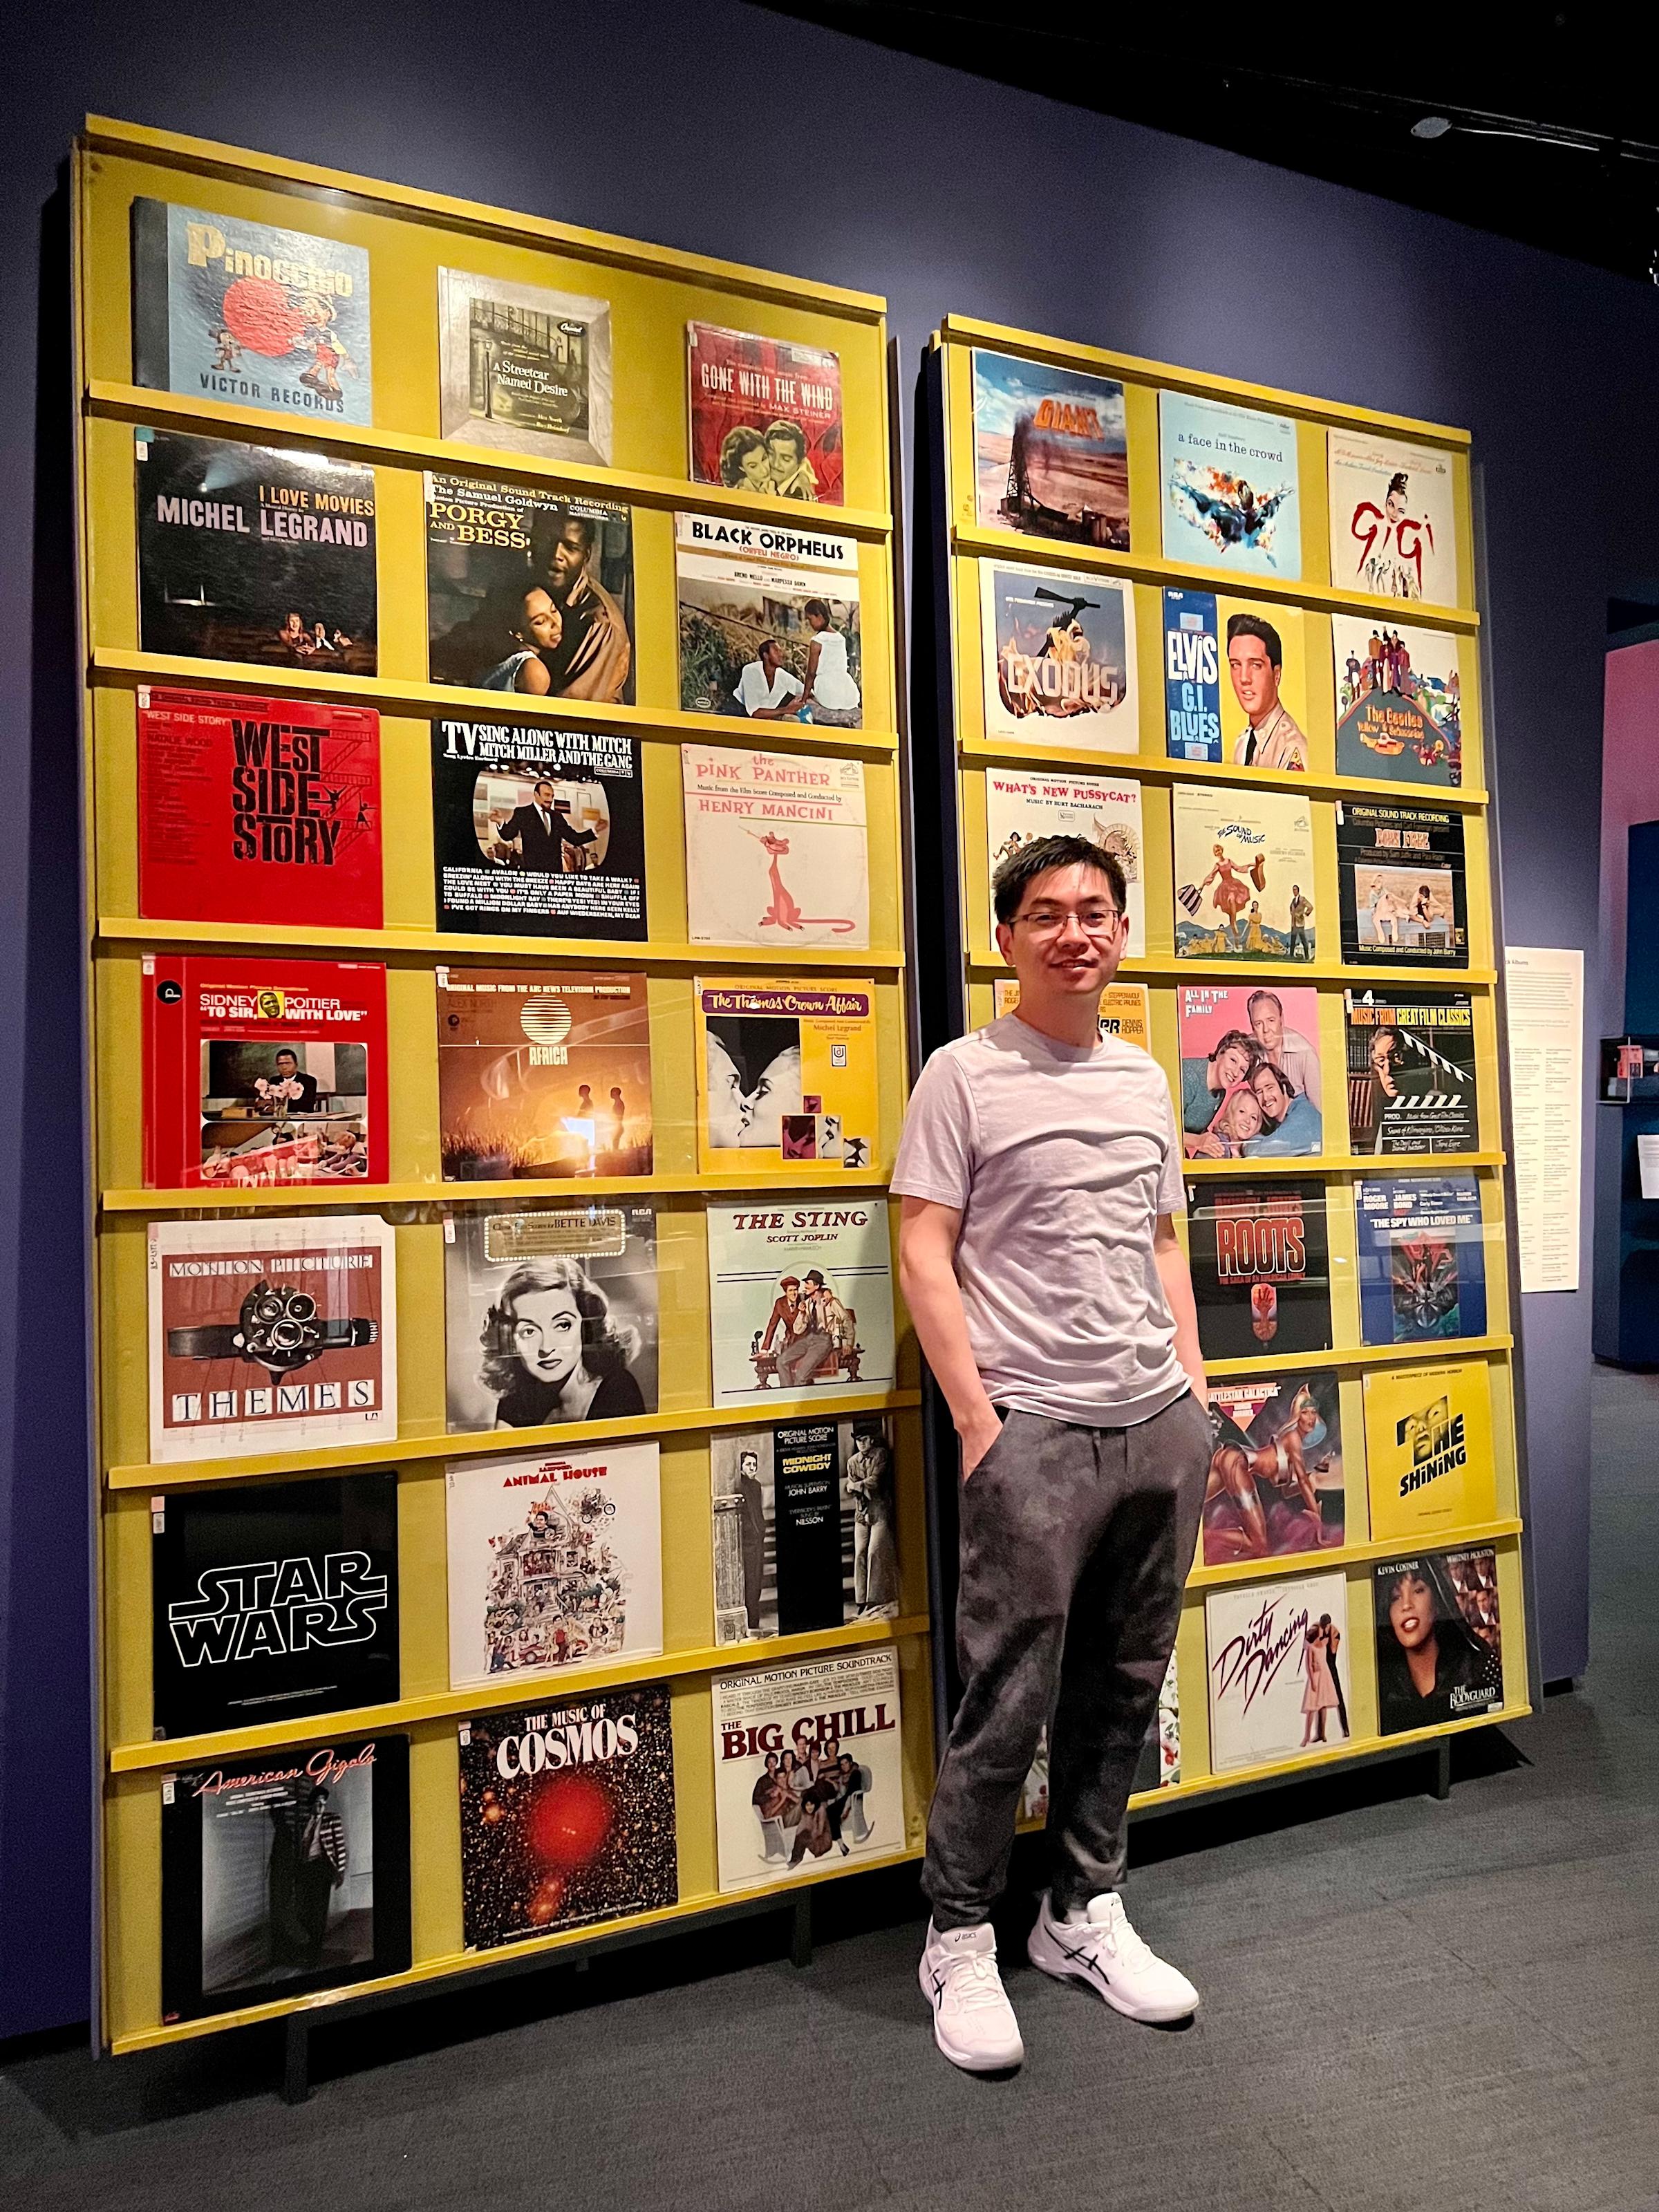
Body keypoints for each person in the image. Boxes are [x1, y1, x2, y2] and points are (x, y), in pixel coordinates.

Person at [894, 831, 1210, 2073]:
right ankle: (959, 1935)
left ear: (1120, 929)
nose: (1074, 931)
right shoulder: (962, 1075)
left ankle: (1079, 1912)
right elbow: (925, 1249)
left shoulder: (1142, 1079)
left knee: (1125, 1686)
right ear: (1006, 937)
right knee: (1007, 1695)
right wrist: (980, 1420)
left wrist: (1194, 1382)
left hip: (1154, 1430)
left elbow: (1166, 1239)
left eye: (1094, 910)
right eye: (1046, 913)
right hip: (1033, 1432)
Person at [478, 1255, 646, 1426]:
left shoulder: (617, 1390)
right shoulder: (515, 1401)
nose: (547, 1347)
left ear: (586, 1326)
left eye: (563, 1325)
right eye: (529, 1331)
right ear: (510, 1341)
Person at [1225, 614, 1308, 769]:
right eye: (1236, 665)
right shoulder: (1242, 743)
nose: (1244, 678)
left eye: (1255, 665)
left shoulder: (1291, 747)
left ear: (1276, 675)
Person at [845, 1424, 898, 1615]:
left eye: (864, 1439)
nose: (861, 1443)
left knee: (874, 1553)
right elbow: (850, 1488)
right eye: (858, 1440)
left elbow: (874, 1482)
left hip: (879, 1510)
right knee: (860, 1553)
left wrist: (856, 1486)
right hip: (861, 1512)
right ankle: (861, 1599)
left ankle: (874, 1598)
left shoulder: (880, 1455)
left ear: (871, 1440)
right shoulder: (852, 1462)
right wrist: (859, 1487)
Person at [494, 778, 598, 872]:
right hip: (533, 873)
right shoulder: (523, 813)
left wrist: (595, 831)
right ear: (536, 795)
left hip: (555, 874)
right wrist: (500, 821)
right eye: (547, 795)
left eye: (552, 796)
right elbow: (508, 835)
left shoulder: (557, 816)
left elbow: (575, 838)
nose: (551, 799)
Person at [479, 587, 562, 694]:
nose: (555, 623)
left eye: (553, 610)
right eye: (540, 622)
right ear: (518, 633)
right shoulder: (533, 671)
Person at [1246, 990, 1320, 1108]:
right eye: (1258, 1024)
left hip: (1300, 1122)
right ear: (1253, 1028)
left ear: (1281, 1020)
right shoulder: (1247, 1052)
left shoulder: (1305, 1054)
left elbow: (1318, 1113)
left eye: (1271, 1020)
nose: (1266, 1030)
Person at [1180, 1027, 1259, 1136]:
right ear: (1219, 1054)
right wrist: (1199, 1141)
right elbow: (1167, 1130)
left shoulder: (1221, 1091)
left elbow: (1196, 1130)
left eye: (1242, 1070)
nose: (1236, 1073)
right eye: (1233, 1060)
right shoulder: (1188, 1076)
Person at [798, 598, 861, 727]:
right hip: (848, 692)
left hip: (828, 693)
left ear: (819, 616)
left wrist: (804, 699)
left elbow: (811, 673)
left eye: (810, 619)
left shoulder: (817, 641)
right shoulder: (840, 638)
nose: (810, 624)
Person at [1245, 1061, 1322, 1155]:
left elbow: (1258, 1152)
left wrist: (1246, 1144)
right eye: (1259, 1092)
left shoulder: (1304, 1114)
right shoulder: (1280, 1122)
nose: (1265, 1097)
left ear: (1284, 1087)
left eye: (1270, 1088)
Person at [734, 637, 806, 720]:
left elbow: (806, 691)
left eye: (780, 651)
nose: (781, 655)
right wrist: (787, 710)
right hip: (739, 712)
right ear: (766, 655)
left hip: (766, 717)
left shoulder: (782, 675)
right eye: (776, 651)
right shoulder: (750, 671)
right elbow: (755, 713)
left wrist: (801, 699)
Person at [1301, 1618, 1342, 1746]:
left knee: (1323, 1706)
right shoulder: (1311, 1648)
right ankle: (1307, 1736)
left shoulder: (1323, 1643)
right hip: (1316, 1677)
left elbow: (1334, 1640)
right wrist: (1313, 1681)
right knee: (1312, 1708)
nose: (1322, 1630)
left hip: (1325, 1676)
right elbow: (1309, 1665)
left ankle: (1322, 1734)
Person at [252, 1047, 321, 1115]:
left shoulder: (309, 1081)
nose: (284, 1068)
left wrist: (276, 1107)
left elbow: (306, 1107)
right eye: (280, 1064)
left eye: (288, 1063)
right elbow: (262, 1105)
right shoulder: (274, 1081)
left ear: (296, 1064)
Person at [765, 419, 818, 500]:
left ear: (800, 463)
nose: (776, 464)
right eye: (771, 454)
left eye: (785, 459)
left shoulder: (801, 495)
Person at [719, 424, 773, 493]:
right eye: (753, 466)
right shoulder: (740, 493)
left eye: (764, 459)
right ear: (741, 468)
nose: (764, 470)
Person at [1287, 884, 1313, 961]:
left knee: (1304, 940)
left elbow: (1310, 907)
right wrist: (1293, 914)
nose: (1294, 891)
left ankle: (1307, 957)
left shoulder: (1302, 899)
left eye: (1295, 890)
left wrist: (1304, 914)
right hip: (1294, 923)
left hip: (1300, 924)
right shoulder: (1293, 900)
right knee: (1293, 940)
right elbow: (1291, 908)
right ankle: (1291, 956)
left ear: (1298, 890)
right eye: (1293, 890)